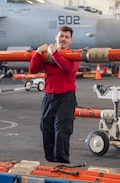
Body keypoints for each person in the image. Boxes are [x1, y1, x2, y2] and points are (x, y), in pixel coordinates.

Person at [29, 26, 79, 163]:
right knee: (47, 130)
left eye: (66, 37)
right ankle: (50, 163)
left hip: (66, 98)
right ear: (56, 37)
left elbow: (68, 69)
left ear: (70, 41)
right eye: (61, 36)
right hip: (49, 98)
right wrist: (38, 53)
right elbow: (32, 69)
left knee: (62, 132)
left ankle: (62, 164)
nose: (63, 39)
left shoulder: (74, 55)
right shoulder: (47, 55)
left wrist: (55, 54)